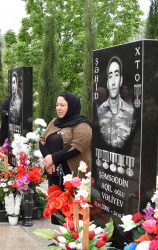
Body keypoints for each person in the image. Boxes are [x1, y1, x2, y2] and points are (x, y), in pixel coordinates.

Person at [39, 92, 92, 225]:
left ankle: (72, 241)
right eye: (57, 105)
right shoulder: (55, 122)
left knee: (72, 209)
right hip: (55, 173)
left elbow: (76, 147)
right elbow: (42, 140)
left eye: (62, 105)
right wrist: (48, 158)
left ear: (72, 106)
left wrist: (53, 159)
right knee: (56, 206)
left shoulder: (83, 125)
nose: (58, 108)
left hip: (72, 174)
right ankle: (60, 240)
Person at [98, 56, 134, 149]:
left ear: (121, 80)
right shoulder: (101, 110)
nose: (113, 82)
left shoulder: (129, 110)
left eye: (116, 75)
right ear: (107, 83)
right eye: (110, 76)